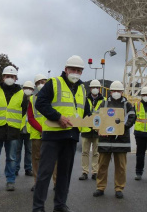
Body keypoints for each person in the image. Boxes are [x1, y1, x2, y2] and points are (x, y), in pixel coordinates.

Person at [33, 55, 91, 212]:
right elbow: (40, 103)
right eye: (73, 69)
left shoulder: (82, 88)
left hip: (71, 137)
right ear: (66, 70)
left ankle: (60, 205)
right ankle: (38, 207)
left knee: (64, 174)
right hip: (52, 136)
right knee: (45, 173)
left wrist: (97, 124)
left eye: (79, 70)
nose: (76, 73)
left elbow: (86, 112)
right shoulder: (54, 83)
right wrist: (57, 117)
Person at [0, 66, 28, 192]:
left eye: (12, 76)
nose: (9, 78)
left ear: (16, 78)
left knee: (12, 157)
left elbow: (23, 111)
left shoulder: (21, 94)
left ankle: (10, 180)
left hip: (13, 130)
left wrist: (18, 126)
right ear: (3, 77)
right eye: (7, 76)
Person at [93, 81, 136, 199]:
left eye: (118, 91)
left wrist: (121, 128)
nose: (116, 93)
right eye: (114, 91)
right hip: (105, 139)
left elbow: (132, 117)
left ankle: (119, 188)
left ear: (122, 92)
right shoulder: (104, 103)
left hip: (121, 140)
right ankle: (100, 187)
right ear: (110, 91)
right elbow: (96, 118)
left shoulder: (127, 104)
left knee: (121, 167)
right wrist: (99, 128)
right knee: (102, 165)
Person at [28, 74, 57, 192]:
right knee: (36, 159)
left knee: (55, 159)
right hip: (37, 134)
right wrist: (41, 129)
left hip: (52, 133)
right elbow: (30, 118)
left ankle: (57, 183)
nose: (41, 84)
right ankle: (37, 183)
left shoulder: (54, 98)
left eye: (43, 81)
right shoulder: (32, 99)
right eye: (38, 82)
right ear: (35, 86)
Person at [79, 79, 103, 181]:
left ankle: (95, 172)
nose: (95, 89)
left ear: (99, 89)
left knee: (96, 153)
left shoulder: (104, 100)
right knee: (85, 152)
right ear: (90, 88)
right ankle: (84, 172)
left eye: (97, 87)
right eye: (93, 87)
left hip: (98, 130)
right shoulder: (84, 99)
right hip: (86, 129)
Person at [16, 81, 35, 176]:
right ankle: (15, 168)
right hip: (19, 128)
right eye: (26, 88)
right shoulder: (18, 98)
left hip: (30, 129)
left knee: (29, 150)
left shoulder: (34, 100)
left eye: (30, 88)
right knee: (17, 150)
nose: (28, 90)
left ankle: (28, 168)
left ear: (33, 90)